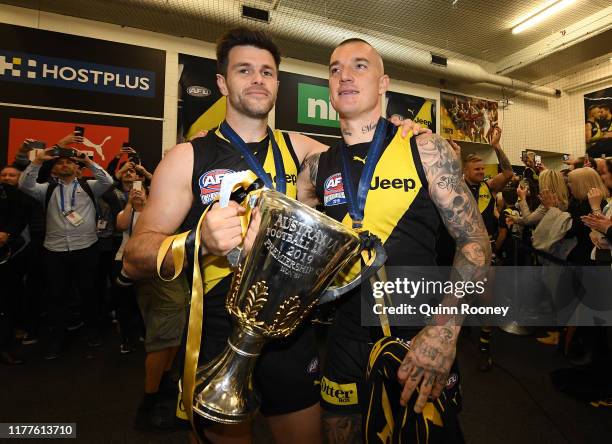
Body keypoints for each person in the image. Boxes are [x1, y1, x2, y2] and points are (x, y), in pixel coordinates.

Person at [123, 28, 423, 443]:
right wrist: (197, 241)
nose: (258, 79)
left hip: (290, 333)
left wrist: (408, 133)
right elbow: (133, 256)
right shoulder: (187, 157)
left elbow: (365, 152)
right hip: (217, 328)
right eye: (244, 70)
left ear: (279, 83)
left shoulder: (302, 150)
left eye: (267, 71)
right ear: (223, 83)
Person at [297, 38, 490, 443]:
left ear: (383, 83)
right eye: (335, 69)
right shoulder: (315, 168)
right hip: (345, 336)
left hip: (419, 332)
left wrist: (445, 330)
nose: (345, 75)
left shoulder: (426, 147)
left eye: (359, 66)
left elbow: (475, 241)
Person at [18, 148, 113, 359]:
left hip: (86, 248)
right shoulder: (47, 189)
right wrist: (38, 162)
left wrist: (88, 161)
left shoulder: (89, 186)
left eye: (69, 162)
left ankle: (91, 332)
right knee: (57, 296)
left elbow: (107, 181)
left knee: (88, 292)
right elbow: (24, 185)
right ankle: (57, 339)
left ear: (76, 166)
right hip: (55, 250)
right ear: (54, 168)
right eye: (59, 162)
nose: (64, 165)